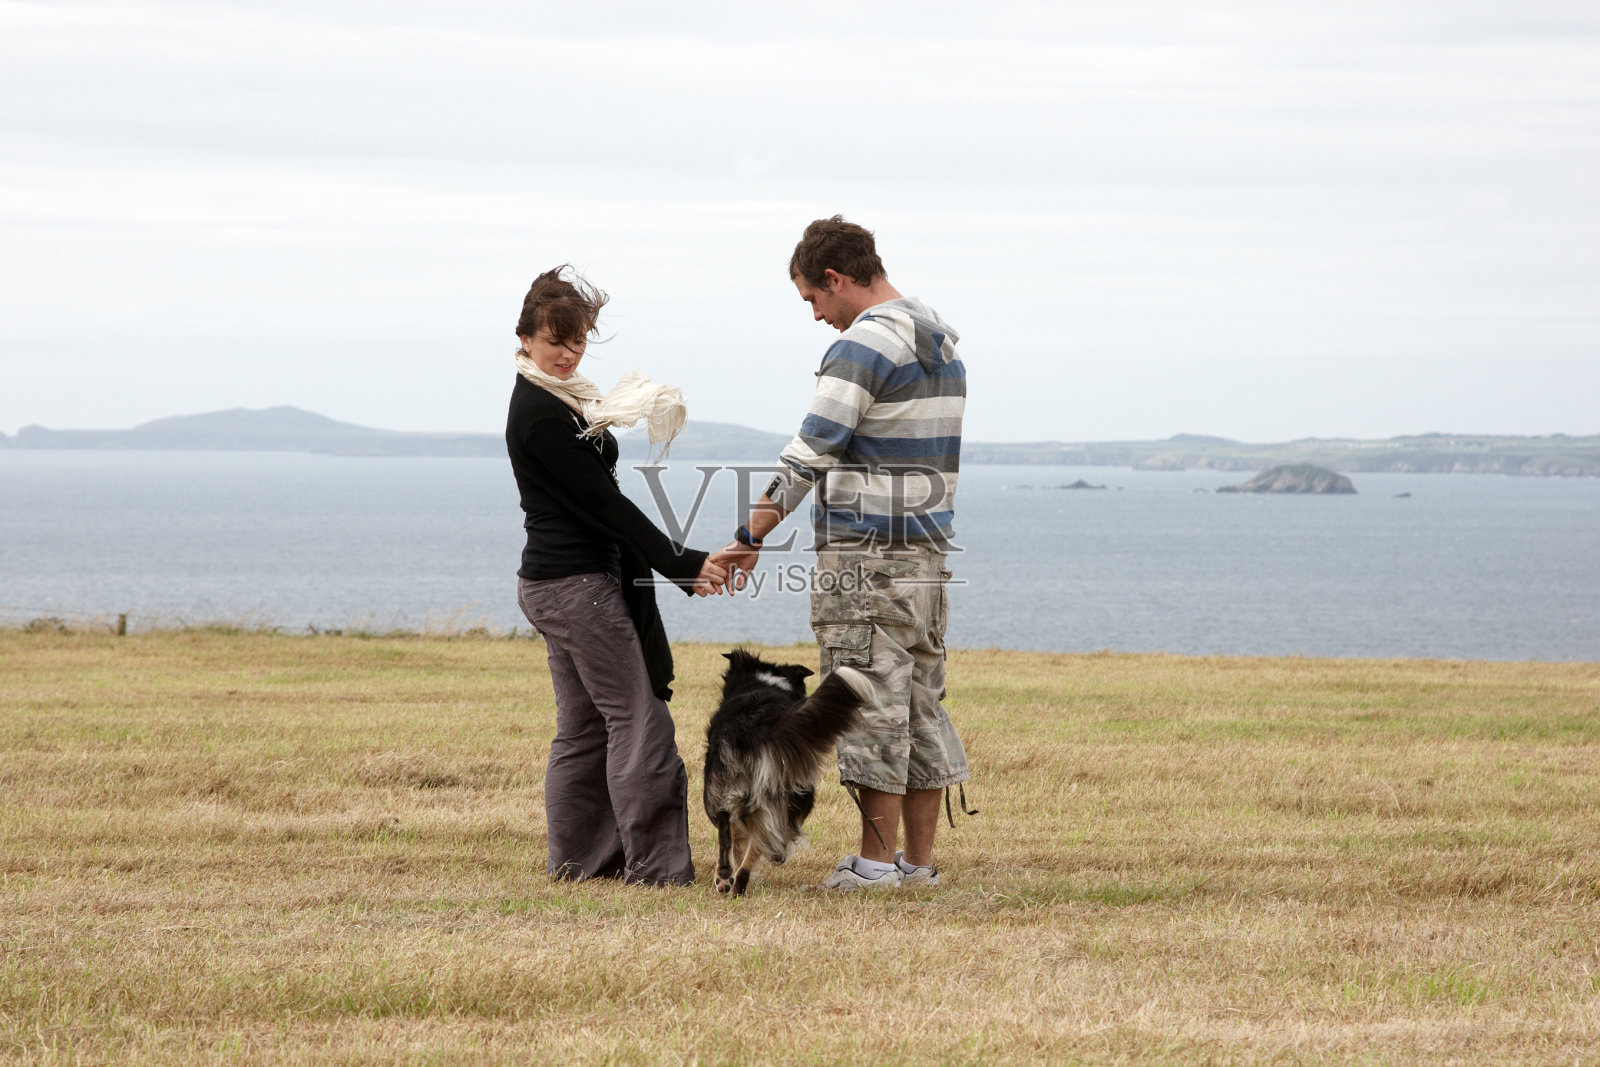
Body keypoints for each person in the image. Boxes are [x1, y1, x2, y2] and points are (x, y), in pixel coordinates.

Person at [712, 216, 971, 891]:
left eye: (813, 299)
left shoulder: (862, 346)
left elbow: (809, 452)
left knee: (865, 702)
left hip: (866, 562)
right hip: (927, 558)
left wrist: (750, 536)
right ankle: (917, 864)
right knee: (920, 705)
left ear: (834, 278)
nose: (816, 316)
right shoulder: (941, 345)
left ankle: (873, 867)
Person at [506, 265, 727, 887]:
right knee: (638, 718)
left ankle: (580, 864)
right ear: (525, 339)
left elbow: (601, 503)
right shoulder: (541, 414)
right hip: (574, 586)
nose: (569, 354)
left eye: (578, 341)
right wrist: (683, 563)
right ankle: (655, 869)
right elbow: (606, 506)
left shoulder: (564, 400)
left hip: (556, 583)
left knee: (583, 728)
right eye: (556, 342)